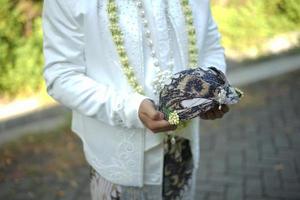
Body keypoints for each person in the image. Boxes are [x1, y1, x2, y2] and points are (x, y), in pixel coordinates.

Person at [42, 0, 229, 199]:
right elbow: (61, 76)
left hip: (184, 149)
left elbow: (210, 44)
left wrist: (210, 90)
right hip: (119, 162)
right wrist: (131, 109)